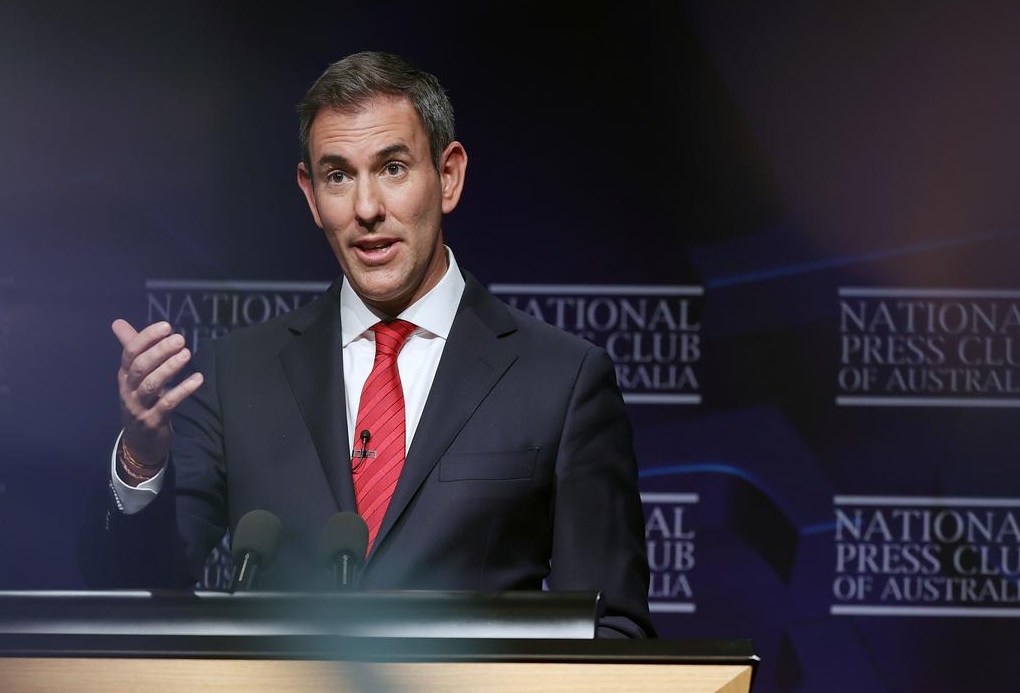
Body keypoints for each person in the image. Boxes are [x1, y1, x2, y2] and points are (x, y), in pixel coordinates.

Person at [79, 51, 654, 638]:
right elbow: (143, 596)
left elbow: (610, 632)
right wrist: (142, 459)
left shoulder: (561, 378)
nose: (366, 209)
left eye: (393, 168)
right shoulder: (235, 374)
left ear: (448, 176)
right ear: (310, 195)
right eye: (338, 176)